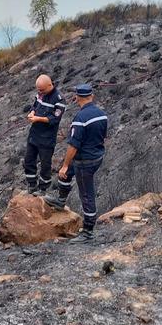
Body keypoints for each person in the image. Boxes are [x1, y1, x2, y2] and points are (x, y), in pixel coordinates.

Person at [44, 84, 108, 243]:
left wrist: (65, 165)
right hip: (96, 156)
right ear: (92, 96)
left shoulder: (80, 118)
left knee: (86, 194)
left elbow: (73, 145)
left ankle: (88, 231)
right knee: (65, 175)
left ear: (78, 97)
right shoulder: (101, 114)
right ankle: (60, 201)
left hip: (84, 161)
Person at [23, 74, 66, 195]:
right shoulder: (40, 94)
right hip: (34, 135)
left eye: (41, 89)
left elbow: (54, 119)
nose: (40, 92)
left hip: (47, 139)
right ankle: (32, 185)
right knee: (28, 160)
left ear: (49, 85)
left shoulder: (59, 99)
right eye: (38, 90)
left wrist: (38, 118)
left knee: (45, 164)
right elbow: (35, 105)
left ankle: (43, 189)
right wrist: (32, 113)